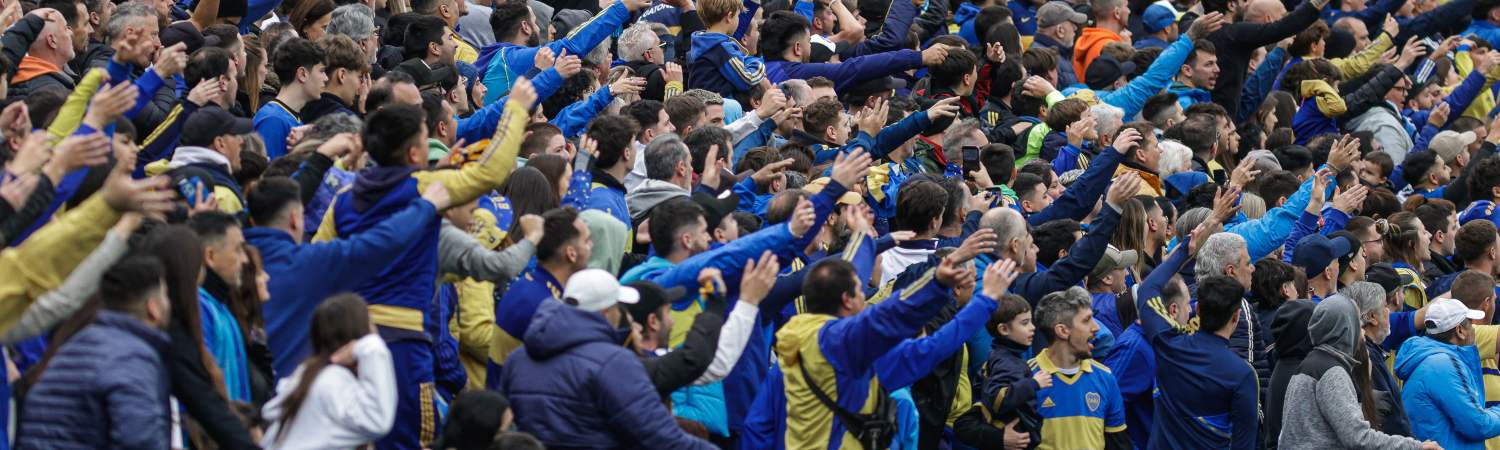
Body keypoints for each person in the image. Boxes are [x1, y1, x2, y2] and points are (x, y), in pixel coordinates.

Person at [499, 269, 717, 449]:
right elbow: (660, 435)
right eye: (617, 307)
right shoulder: (614, 362)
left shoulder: (518, 358)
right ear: (605, 313)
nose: (622, 313)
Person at [15, 255, 173, 449]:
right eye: (165, 295)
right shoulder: (132, 356)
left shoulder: (72, 347)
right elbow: (139, 440)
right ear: (153, 308)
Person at [1278, 293, 1432, 449]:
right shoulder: (1332, 372)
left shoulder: (1312, 362)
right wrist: (1415, 447)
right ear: (1345, 327)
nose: (1363, 329)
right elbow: (1358, 438)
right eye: (1358, 321)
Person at [260, 294, 398, 448]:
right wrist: (370, 347)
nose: (376, 330)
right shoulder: (332, 381)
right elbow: (377, 420)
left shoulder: (311, 375)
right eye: (370, 323)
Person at [1396, 297, 1500, 449]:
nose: (1473, 330)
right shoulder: (1442, 365)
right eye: (1470, 324)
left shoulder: (1434, 359)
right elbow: (1477, 424)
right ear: (1460, 331)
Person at [254, 38, 326, 159]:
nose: (326, 78)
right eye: (322, 71)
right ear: (302, 74)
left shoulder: (292, 117)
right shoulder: (273, 120)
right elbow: (268, 175)